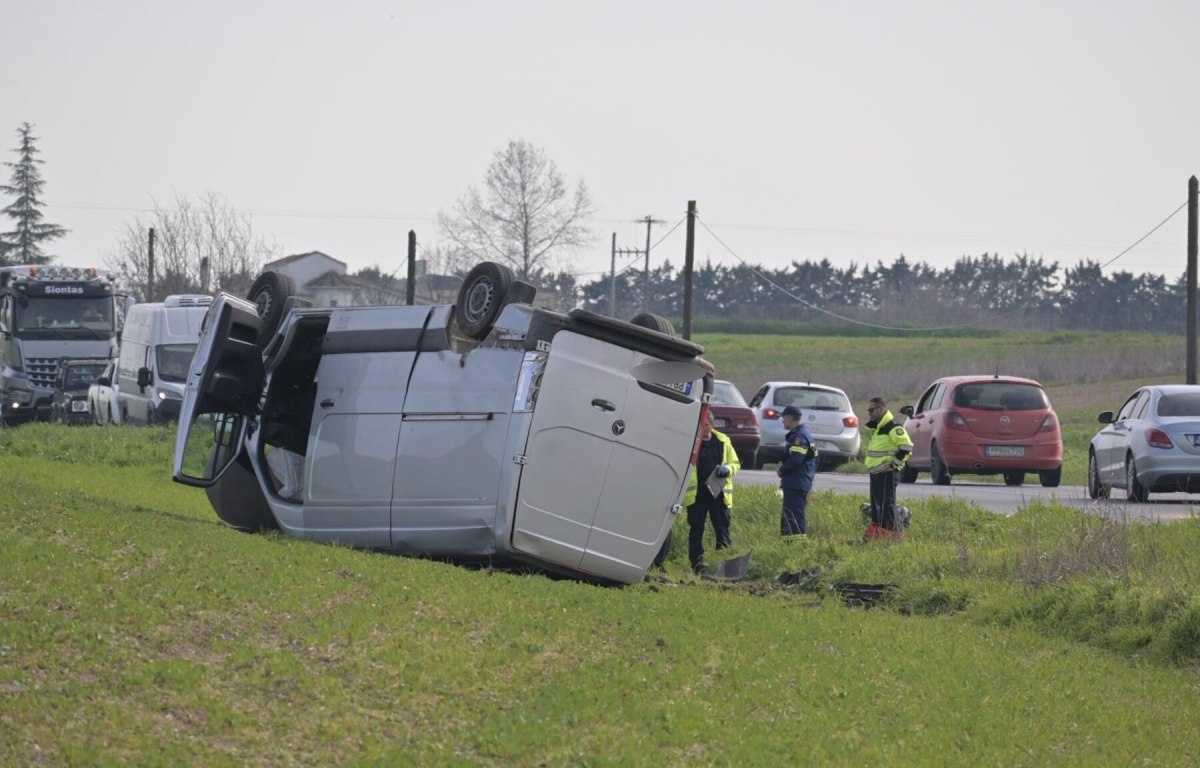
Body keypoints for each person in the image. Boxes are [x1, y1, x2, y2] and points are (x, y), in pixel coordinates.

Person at [683, 410, 740, 572]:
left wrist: (727, 469)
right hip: (697, 495)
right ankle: (696, 562)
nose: (704, 426)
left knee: (722, 528)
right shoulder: (692, 441)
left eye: (707, 423)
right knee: (696, 529)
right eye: (702, 423)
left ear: (712, 425)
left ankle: (723, 562)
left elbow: (735, 464)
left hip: (718, 494)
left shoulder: (723, 441)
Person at [863, 397, 913, 537]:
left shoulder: (892, 427)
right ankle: (878, 533)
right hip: (876, 472)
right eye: (868, 410)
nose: (869, 413)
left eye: (871, 410)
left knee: (887, 505)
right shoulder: (878, 428)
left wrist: (893, 465)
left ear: (881, 409)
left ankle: (892, 534)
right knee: (876, 505)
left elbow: (906, 447)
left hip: (887, 472)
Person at [777, 405, 817, 537]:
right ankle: (789, 545)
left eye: (784, 418)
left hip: (796, 482)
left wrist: (782, 469)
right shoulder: (802, 434)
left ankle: (796, 546)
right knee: (790, 515)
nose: (783, 421)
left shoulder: (798, 437)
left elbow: (796, 459)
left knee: (793, 517)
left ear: (790, 418)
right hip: (799, 481)